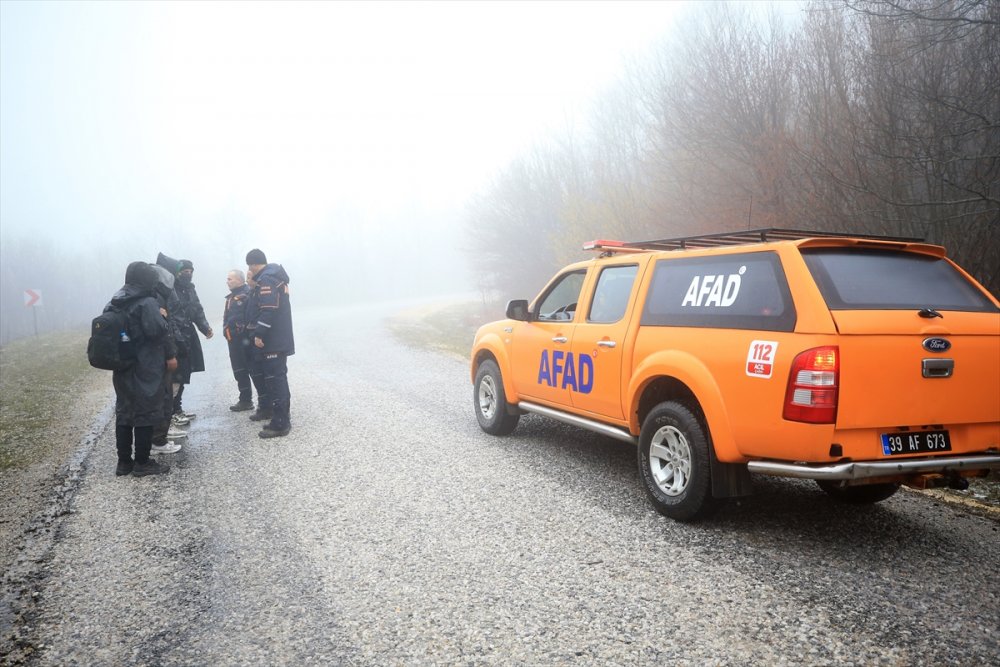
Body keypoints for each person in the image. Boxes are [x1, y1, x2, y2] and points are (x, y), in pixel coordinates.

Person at [107, 262, 173, 477]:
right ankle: (142, 462)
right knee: (145, 412)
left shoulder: (115, 302)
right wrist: (164, 317)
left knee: (125, 411)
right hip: (145, 365)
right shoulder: (147, 302)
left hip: (122, 365)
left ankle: (124, 463)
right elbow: (156, 331)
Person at [245, 249, 294, 438]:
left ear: (254, 264)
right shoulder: (275, 276)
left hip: (273, 339)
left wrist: (259, 333)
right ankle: (282, 418)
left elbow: (268, 309)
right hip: (278, 338)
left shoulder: (267, 279)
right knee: (278, 377)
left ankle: (280, 423)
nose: (250, 270)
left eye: (250, 266)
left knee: (275, 380)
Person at [167, 256, 214, 422]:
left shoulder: (190, 289)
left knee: (184, 374)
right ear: (177, 272)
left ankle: (177, 408)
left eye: (190, 271)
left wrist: (205, 327)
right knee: (175, 375)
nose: (188, 274)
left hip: (188, 334)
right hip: (175, 335)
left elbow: (196, 309)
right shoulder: (170, 288)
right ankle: (170, 413)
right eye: (184, 271)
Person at [223, 269, 255, 411]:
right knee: (239, 370)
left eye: (230, 279)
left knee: (254, 371)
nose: (227, 282)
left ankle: (265, 402)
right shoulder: (231, 297)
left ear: (240, 280)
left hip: (246, 341)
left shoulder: (248, 294)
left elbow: (251, 317)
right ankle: (245, 400)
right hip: (233, 341)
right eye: (227, 279)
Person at [244, 267, 270, 424]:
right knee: (255, 373)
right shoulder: (250, 294)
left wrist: (258, 334)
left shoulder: (261, 293)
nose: (248, 280)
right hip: (249, 338)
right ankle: (263, 405)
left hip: (258, 339)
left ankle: (267, 407)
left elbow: (265, 315)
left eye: (249, 276)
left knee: (263, 374)